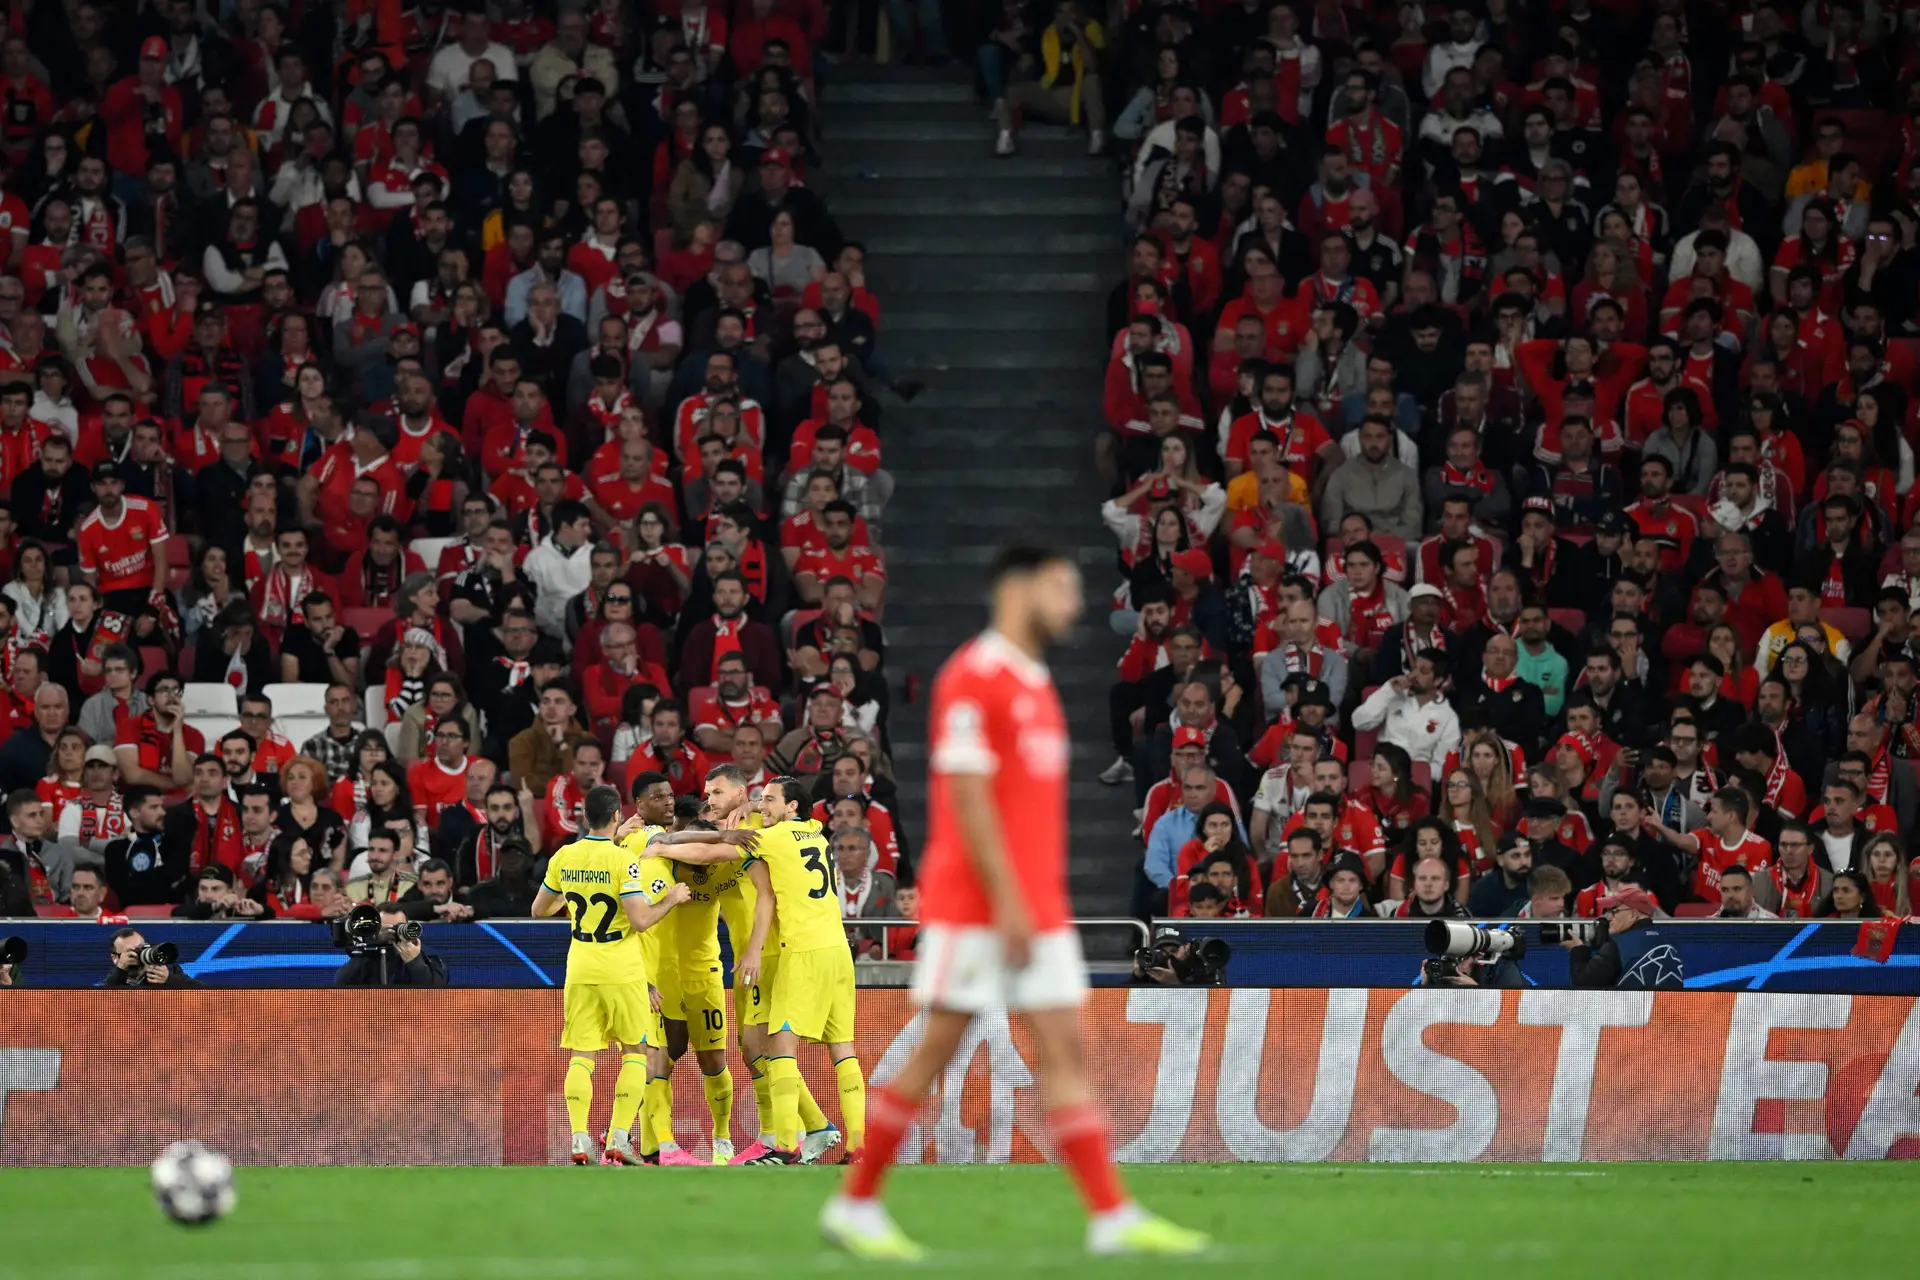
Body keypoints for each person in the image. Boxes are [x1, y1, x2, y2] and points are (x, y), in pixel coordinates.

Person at [820, 545, 1205, 1258]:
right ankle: (858, 1202)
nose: (1075, 604)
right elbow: (967, 804)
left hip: (1036, 905)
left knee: (1066, 1050)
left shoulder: (1035, 680)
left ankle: (1110, 1215)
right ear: (1018, 588)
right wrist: (1010, 904)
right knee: (934, 1051)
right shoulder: (975, 677)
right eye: (1061, 587)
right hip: (979, 907)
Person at [530, 783, 691, 1166]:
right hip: (621, 968)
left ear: (586, 817)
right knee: (636, 1052)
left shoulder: (564, 857)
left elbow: (539, 910)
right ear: (618, 816)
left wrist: (571, 901)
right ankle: (619, 1135)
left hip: (581, 966)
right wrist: (670, 898)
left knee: (582, 1056)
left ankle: (579, 1138)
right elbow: (640, 919)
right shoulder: (623, 861)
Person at [1564, 885, 1683, 989]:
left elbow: (1584, 984)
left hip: (1633, 1013)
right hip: (1668, 1013)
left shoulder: (1618, 945)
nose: (1609, 917)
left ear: (1633, 914)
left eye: (1614, 911)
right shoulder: (1668, 944)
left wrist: (1578, 950)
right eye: (1607, 911)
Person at [331, 905, 451, 986]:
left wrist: (415, 963)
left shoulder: (424, 954)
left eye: (397, 927)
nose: (392, 933)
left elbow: (437, 991)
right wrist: (371, 946)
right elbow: (341, 981)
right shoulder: (368, 956)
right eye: (386, 928)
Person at [103, 927, 205, 988]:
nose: (137, 955)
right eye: (129, 952)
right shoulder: (113, 980)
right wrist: (121, 971)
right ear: (115, 958)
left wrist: (170, 980)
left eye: (140, 949)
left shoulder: (168, 972)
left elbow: (210, 994)